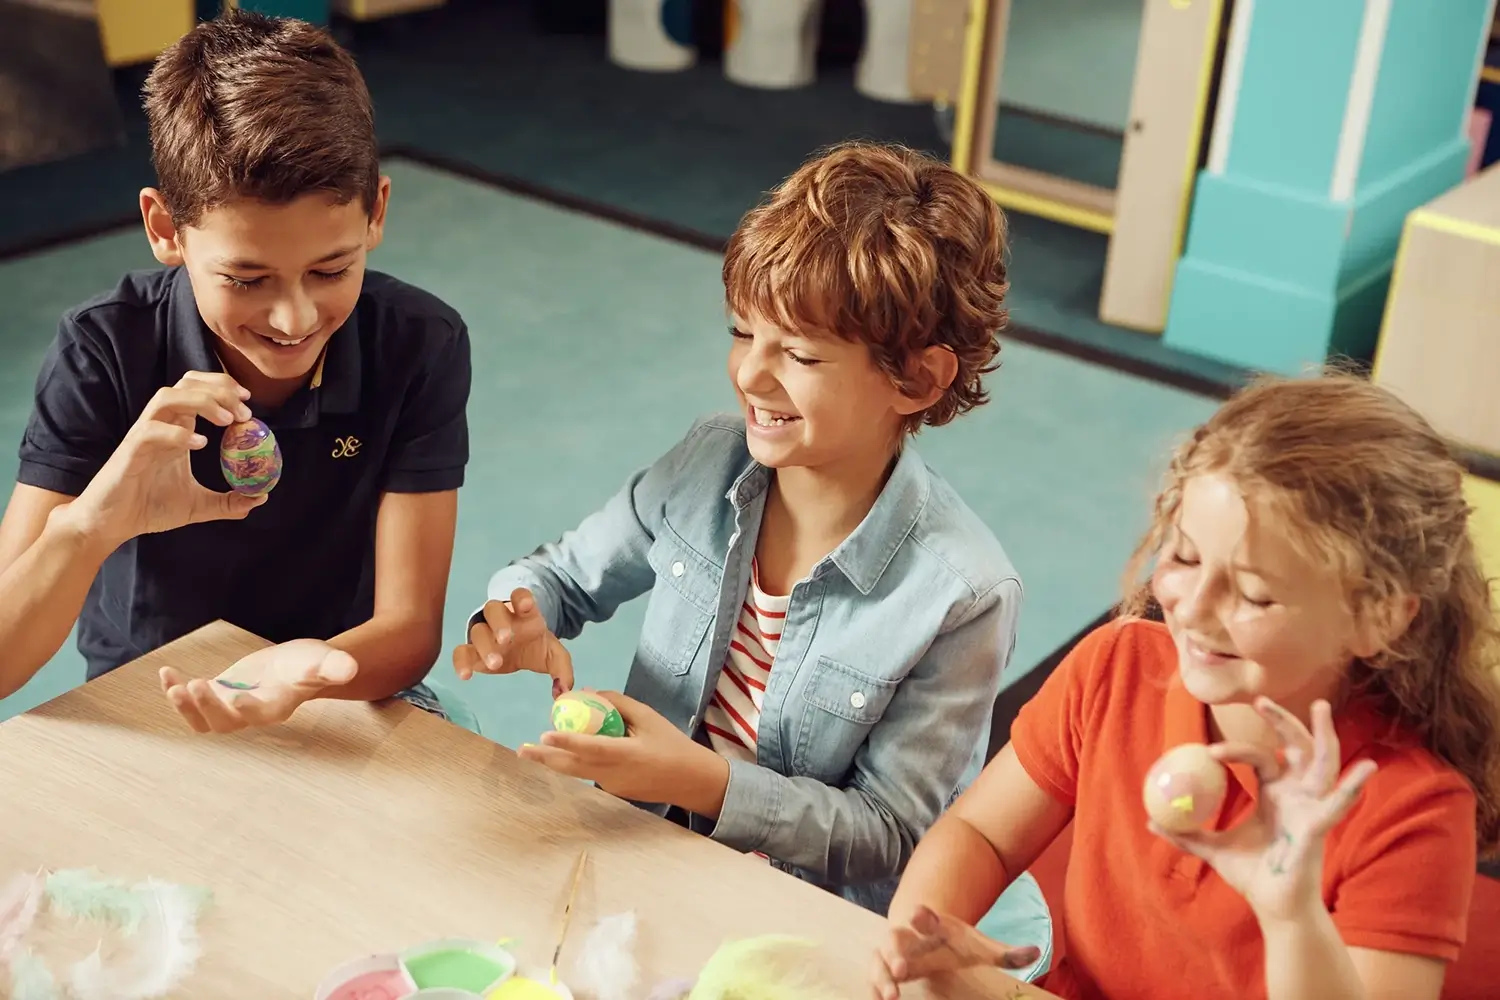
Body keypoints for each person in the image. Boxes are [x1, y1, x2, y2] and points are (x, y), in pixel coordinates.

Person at [452, 141, 1022, 912]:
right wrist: (516, 615)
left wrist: (701, 782)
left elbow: (889, 834)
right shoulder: (707, 460)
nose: (751, 374)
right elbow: (558, 576)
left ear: (917, 378)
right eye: (744, 332)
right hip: (641, 848)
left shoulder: (965, 594)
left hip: (799, 913)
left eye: (800, 356)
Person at [871, 373, 1500, 1000]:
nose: (1194, 609)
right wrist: (923, 934)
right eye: (1185, 558)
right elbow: (982, 834)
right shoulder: (1117, 667)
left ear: (1377, 618)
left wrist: (1291, 917)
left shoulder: (1415, 810)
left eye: (1254, 594)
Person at [0, 10, 471, 732]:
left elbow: (408, 632)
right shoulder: (102, 349)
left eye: (331, 269)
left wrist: (299, 676)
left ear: (376, 212)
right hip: (150, 694)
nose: (294, 318)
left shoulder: (418, 342)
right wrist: (93, 522)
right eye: (246, 279)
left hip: (334, 686)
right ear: (165, 229)